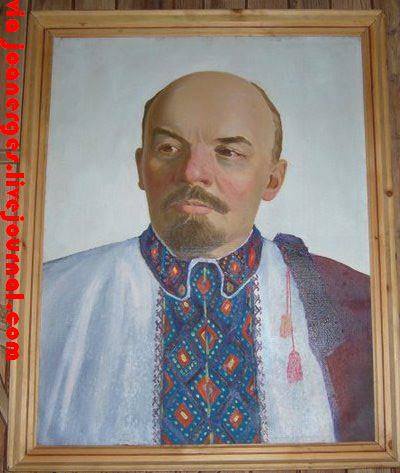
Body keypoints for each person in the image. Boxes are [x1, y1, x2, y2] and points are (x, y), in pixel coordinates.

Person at [38, 71, 373, 446]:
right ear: (141, 167)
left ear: (273, 180)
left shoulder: (352, 303)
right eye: (169, 148)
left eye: (228, 153)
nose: (192, 172)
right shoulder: (46, 298)